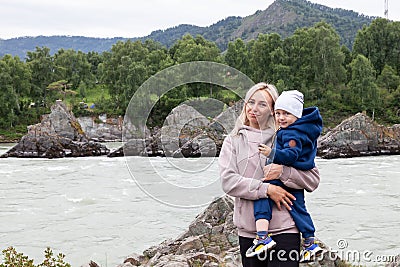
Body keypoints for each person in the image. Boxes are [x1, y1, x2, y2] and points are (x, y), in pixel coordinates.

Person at [219, 82, 321, 267]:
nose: (254, 109)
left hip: (286, 229)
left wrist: (283, 172)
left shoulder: (287, 137)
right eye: (251, 102)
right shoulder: (233, 141)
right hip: (250, 232)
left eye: (262, 104)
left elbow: (313, 180)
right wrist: (266, 190)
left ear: (274, 110)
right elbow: (228, 181)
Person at [245, 90, 323, 262]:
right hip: (293, 180)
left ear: (296, 114)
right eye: (278, 113)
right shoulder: (301, 131)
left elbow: (292, 156)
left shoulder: (290, 133)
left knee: (262, 197)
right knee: (298, 208)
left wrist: (272, 155)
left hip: (285, 187)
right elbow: (229, 182)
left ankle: (262, 237)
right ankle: (310, 241)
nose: (281, 117)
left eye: (286, 113)